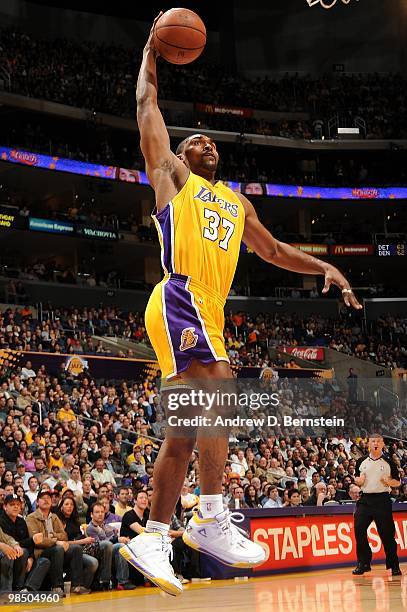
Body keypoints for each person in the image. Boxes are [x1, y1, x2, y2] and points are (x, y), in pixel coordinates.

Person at [120, 14, 362, 598]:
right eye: (196, 139)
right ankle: (209, 515)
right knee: (222, 395)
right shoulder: (173, 177)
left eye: (210, 142)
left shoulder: (236, 204)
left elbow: (275, 251)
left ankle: (153, 534)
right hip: (181, 293)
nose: (206, 143)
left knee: (185, 430)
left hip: (208, 311)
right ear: (179, 155)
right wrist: (152, 52)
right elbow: (147, 108)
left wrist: (324, 265)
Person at [352, 434, 402, 576]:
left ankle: (394, 565)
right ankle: (363, 563)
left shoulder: (388, 461)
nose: (375, 443)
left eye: (378, 441)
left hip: (382, 500)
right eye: (373, 441)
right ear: (368, 444)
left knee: (387, 534)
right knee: (359, 529)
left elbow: (397, 482)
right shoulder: (361, 461)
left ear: (382, 444)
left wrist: (389, 481)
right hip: (365, 500)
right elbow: (357, 479)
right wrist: (358, 481)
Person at [26, 490, 84, 595]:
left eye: (48, 498)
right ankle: (57, 587)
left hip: (57, 550)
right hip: (40, 552)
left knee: (77, 549)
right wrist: (56, 541)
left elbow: (64, 536)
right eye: (43, 498)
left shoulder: (54, 517)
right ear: (37, 502)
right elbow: (38, 540)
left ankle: (76, 586)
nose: (46, 500)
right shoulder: (31, 518)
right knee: (58, 549)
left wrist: (52, 536)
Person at [0, 494, 50, 592]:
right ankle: (10, 590)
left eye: (18, 504)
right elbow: (9, 543)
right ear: (5, 506)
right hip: (10, 556)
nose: (16, 506)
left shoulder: (21, 521)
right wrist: (28, 542)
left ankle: (27, 588)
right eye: (12, 504)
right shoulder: (1, 520)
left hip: (21, 558)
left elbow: (11, 540)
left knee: (44, 561)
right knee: (18, 552)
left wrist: (31, 557)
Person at [86, 502, 135, 590]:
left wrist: (122, 539)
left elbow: (113, 537)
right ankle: (105, 580)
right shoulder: (90, 528)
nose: (100, 514)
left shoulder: (106, 526)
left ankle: (123, 582)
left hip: (108, 550)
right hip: (95, 552)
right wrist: (116, 539)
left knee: (121, 546)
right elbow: (99, 544)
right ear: (91, 515)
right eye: (97, 512)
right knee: (110, 544)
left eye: (102, 512)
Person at [55, 496, 98, 592]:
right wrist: (81, 541)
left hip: (81, 549)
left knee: (97, 553)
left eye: (71, 505)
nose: (69, 507)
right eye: (66, 504)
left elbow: (81, 536)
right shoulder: (58, 521)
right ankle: (77, 585)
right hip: (66, 551)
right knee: (92, 563)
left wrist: (86, 536)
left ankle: (85, 586)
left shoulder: (75, 520)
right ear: (61, 506)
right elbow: (62, 542)